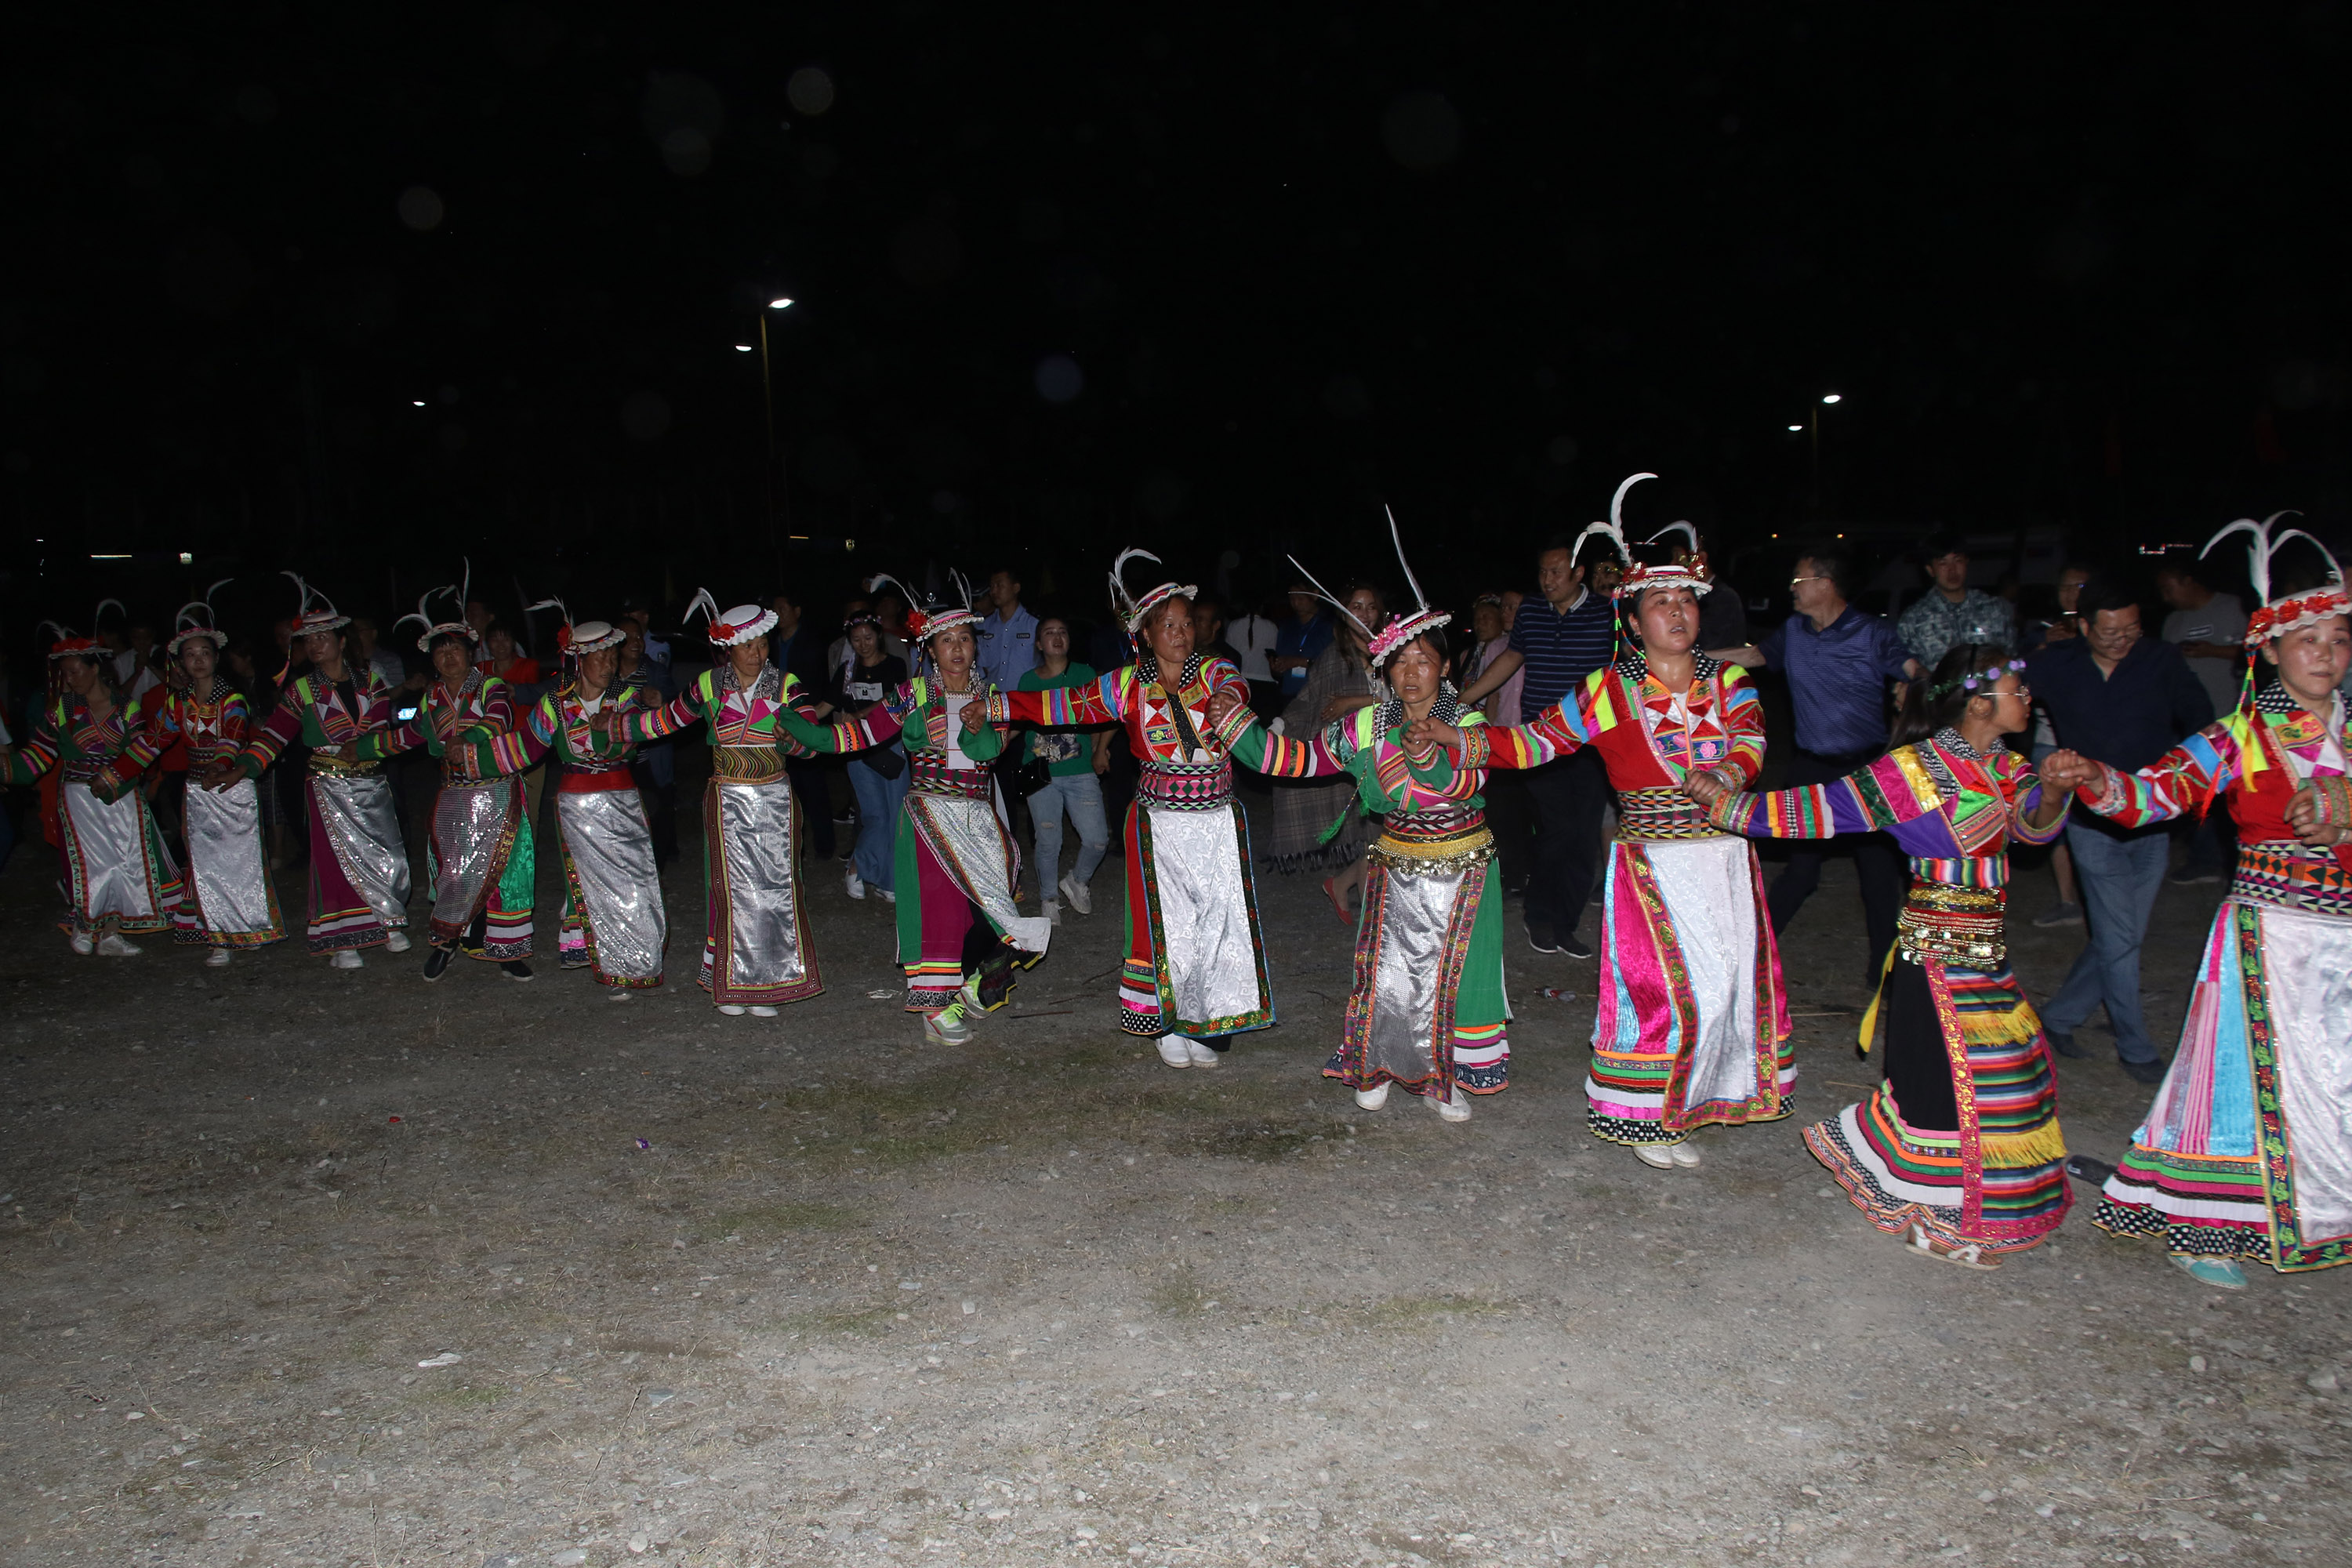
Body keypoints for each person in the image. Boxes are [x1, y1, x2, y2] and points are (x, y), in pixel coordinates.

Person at [1417, 481, 1791, 1167]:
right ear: (1633, 617)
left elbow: (1751, 742)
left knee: (1724, 981)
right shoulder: (1608, 689)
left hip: (1722, 856)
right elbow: (1532, 742)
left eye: (1685, 601)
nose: (1677, 611)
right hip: (1652, 861)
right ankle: (1648, 1115)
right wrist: (1459, 739)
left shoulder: (1730, 683)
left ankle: (1691, 1099)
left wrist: (1731, 775)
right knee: (1661, 990)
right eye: (1661, 602)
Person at [1690, 646, 2075, 1267]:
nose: (2029, 700)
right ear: (1979, 703)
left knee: (2002, 1077)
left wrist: (2054, 791)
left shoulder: (2005, 764)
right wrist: (1725, 805)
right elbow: (1817, 810)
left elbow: (2033, 828)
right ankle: (1937, 1219)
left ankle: (1951, 1204)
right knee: (1954, 1087)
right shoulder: (1913, 771)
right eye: (2017, 690)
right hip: (1938, 952)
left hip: (1984, 949)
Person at [2050, 514, 2352, 1290]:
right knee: (2240, 1084)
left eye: (2338, 640)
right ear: (2270, 651)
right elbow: (2153, 795)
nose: (2325, 654)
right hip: (2267, 937)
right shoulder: (2240, 736)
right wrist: (2095, 780)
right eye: (2308, 641)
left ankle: (2325, 1204)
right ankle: (2204, 1220)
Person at [1221, 538, 1506, 1120]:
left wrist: (1428, 750)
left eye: (1423, 660)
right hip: (1399, 864)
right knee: (1393, 971)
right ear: (1385, 669)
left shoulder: (1469, 723)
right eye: (1399, 662)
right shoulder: (1368, 724)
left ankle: (1441, 1079)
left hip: (1465, 869)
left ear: (1445, 667)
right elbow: (1296, 761)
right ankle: (1377, 1062)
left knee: (1456, 972)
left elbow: (1454, 784)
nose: (1411, 671)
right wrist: (1236, 729)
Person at [990, 549, 1273, 1068]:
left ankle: (1204, 1020)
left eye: (1187, 623)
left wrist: (1229, 702)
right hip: (1158, 823)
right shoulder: (1126, 685)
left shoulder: (1215, 672)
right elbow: (1064, 704)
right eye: (1169, 625)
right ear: (1145, 633)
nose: (1182, 633)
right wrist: (1004, 704)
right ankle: (1164, 1020)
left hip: (1213, 823)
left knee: (1213, 920)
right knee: (1163, 923)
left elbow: (1237, 686)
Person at [777, 578, 1051, 1043]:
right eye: (947, 640)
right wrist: (799, 727)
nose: (958, 649)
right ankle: (935, 1007)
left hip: (979, 818)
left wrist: (982, 725)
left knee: (994, 910)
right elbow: (856, 736)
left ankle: (969, 985)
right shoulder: (912, 696)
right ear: (929, 650)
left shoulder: (991, 699)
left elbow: (989, 751)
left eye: (965, 638)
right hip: (929, 816)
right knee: (940, 911)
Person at [611, 592, 832, 1018]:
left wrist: (794, 741)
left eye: (763, 644)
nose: (757, 653)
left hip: (772, 800)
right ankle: (732, 980)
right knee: (730, 890)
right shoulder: (708, 685)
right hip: (727, 800)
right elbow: (666, 721)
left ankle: (766, 980)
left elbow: (813, 745)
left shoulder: (787, 687)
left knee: (772, 890)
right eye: (747, 646)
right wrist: (620, 726)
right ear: (727, 649)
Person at [2026, 579, 2212, 1083]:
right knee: (2122, 938)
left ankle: (2060, 1015)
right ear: (2084, 626)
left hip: (2152, 821)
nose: (2121, 639)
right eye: (2109, 631)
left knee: (2120, 935)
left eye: (2131, 628)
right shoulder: (2056, 663)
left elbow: (2204, 722)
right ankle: (2136, 1047)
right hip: (2091, 822)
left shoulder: (2162, 661)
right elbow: (2000, 686)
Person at [1719, 541, 1921, 985]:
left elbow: (1918, 674)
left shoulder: (1872, 633)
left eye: (1799, 581)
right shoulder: (1793, 631)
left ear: (1825, 585)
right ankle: (1751, 958)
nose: (1791, 589)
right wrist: (1688, 658)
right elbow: (1754, 656)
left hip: (1865, 770)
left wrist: (1915, 695)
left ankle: (1884, 975)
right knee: (1800, 870)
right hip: (1811, 768)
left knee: (1877, 875)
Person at [1457, 495, 1627, 960]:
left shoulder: (1609, 613)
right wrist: (1463, 698)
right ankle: (1539, 914)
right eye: (1543, 572)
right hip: (1541, 741)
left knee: (1583, 829)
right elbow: (1511, 659)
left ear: (1578, 573)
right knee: (1555, 829)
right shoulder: (1531, 612)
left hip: (1594, 742)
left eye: (1557, 572)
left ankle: (1565, 922)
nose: (1548, 581)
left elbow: (1630, 664)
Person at [219, 575, 413, 967]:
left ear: (343, 641)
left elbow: (380, 723)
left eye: (323, 637)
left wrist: (361, 746)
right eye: (308, 640)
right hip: (327, 785)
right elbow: (274, 734)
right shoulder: (301, 690)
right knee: (335, 861)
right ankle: (345, 941)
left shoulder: (370, 681)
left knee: (386, 853)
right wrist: (243, 766)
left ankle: (387, 918)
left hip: (371, 782)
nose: (315, 645)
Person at [475, 608, 666, 1000]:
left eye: (613, 658)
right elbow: (527, 746)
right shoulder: (556, 703)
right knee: (591, 886)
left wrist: (611, 730)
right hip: (577, 805)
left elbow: (628, 748)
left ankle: (636, 958)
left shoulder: (629, 699)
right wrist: (476, 759)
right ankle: (612, 968)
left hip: (622, 799)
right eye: (601, 659)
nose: (609, 666)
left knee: (632, 882)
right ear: (579, 661)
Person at [360, 586, 535, 981]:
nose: (447, 656)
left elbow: (498, 721)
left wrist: (466, 740)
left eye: (454, 649)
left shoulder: (491, 687)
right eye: (440, 651)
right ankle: (447, 943)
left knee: (504, 870)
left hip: (496, 793)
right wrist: (365, 747)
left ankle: (507, 952)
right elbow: (410, 736)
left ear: (471, 653)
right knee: (453, 871)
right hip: (454, 796)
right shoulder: (432, 697)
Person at [103, 594, 284, 964]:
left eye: (204, 653)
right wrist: (114, 774)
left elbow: (231, 737)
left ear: (216, 658)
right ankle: (219, 936)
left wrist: (219, 767)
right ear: (180, 663)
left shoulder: (232, 699)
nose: (198, 660)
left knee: (241, 861)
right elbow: (151, 743)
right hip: (198, 791)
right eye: (190, 655)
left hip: (232, 789)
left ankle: (249, 926)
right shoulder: (177, 703)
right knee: (205, 864)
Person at [2, 613, 184, 954]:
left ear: (95, 668)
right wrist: (7, 769)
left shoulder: (125, 709)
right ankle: (85, 925)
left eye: (75, 672)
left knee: (125, 861)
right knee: (90, 861)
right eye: (64, 673)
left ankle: (111, 933)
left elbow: (141, 753)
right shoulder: (63, 709)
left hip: (122, 796)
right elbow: (39, 756)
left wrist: (120, 777)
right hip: (79, 798)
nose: (69, 680)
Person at [1263, 583, 1387, 907]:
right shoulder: (1333, 655)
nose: (1364, 613)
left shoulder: (1393, 649)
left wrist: (1353, 701)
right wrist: (1278, 728)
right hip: (1355, 753)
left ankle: (1340, 885)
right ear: (1344, 612)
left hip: (1390, 749)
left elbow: (1405, 697)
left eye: (1370, 606)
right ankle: (1369, 918)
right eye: (1356, 606)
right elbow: (1308, 700)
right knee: (1370, 837)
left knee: (1380, 836)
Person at [2156, 557, 2250, 886]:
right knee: (2198, 790)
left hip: (2233, 716)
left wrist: (2213, 651)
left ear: (2188, 580)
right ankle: (2204, 859)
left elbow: (2259, 653)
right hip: (2190, 721)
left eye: (2169, 588)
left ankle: (2238, 863)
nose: (2166, 597)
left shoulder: (2234, 608)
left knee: (2236, 794)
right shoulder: (2173, 622)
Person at [1018, 615, 1112, 924]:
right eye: (1049, 633)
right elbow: (1016, 724)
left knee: (1097, 839)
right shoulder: (1027, 682)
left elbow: (1103, 716)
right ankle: (1048, 899)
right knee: (1048, 841)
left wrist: (1100, 750)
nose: (1057, 637)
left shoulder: (1085, 674)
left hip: (1080, 770)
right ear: (1038, 643)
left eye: (1062, 631)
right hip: (1039, 772)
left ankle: (1077, 880)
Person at [2023, 563, 2094, 926]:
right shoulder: (2042, 630)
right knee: (2052, 822)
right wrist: (2043, 648)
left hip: (2088, 745)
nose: (2071, 593)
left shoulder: (2100, 633)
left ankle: (2096, 898)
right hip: (2047, 742)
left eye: (2079, 585)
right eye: (2065, 586)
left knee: (2089, 823)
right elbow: (2018, 674)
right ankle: (2068, 901)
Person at [824, 610, 909, 904]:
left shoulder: (895, 666)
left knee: (896, 815)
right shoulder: (847, 670)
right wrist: (799, 722)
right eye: (856, 639)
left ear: (879, 636)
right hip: (858, 750)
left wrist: (859, 714)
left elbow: (894, 701)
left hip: (891, 748)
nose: (863, 644)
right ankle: (857, 868)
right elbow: (826, 704)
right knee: (874, 815)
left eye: (868, 637)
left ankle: (888, 879)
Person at [1458, 592, 1529, 896]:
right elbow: (1488, 696)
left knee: (1518, 810)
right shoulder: (1468, 655)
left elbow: (1495, 695)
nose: (1481, 623)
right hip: (1483, 739)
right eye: (1477, 619)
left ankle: (1520, 872)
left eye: (1489, 616)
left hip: (1519, 735)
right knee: (1495, 810)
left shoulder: (1511, 648)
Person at [764, 588, 837, 862]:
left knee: (814, 785)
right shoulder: (769, 642)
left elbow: (817, 685)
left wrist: (811, 717)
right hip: (776, 720)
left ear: (797, 611)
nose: (778, 615)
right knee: (786, 787)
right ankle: (791, 846)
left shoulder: (812, 642)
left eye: (783, 609)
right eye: (775, 610)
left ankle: (824, 845)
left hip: (805, 717)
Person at [1898, 533, 2016, 667]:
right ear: (1930, 570)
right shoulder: (1914, 619)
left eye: (1958, 560)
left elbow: (2010, 658)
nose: (1952, 570)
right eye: (1943, 563)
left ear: (1966, 562)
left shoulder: (1993, 609)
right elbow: (1907, 671)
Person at [975, 565, 1039, 695]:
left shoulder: (1034, 625)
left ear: (1016, 588)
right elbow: (981, 667)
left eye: (999, 585)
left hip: (1026, 700)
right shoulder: (984, 626)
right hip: (993, 702)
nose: (994, 591)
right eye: (992, 586)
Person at [1271, 583, 1333, 704]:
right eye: (1292, 599)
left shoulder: (1330, 625)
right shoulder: (1287, 627)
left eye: (1300, 598)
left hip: (1319, 696)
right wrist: (1276, 667)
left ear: (1315, 595)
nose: (1296, 603)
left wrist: (1299, 662)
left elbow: (1333, 665)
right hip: (1289, 695)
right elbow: (1279, 669)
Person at [1226, 596, 1283, 721]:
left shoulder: (1234, 625)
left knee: (1241, 725)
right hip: (1265, 684)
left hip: (1242, 682)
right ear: (1262, 608)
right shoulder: (1271, 627)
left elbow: (1229, 655)